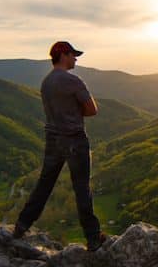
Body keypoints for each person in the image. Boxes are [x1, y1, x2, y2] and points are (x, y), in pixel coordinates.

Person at [12, 41, 108, 251]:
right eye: (73, 55)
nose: (75, 59)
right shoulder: (73, 81)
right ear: (63, 55)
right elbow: (92, 110)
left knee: (44, 185)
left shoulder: (46, 82)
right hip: (74, 139)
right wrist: (75, 112)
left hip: (53, 140)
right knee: (81, 188)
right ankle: (93, 238)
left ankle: (21, 226)